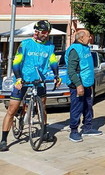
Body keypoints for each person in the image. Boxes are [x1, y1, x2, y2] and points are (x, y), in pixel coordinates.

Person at [0, 20, 60, 152]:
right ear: (36, 32)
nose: (46, 35)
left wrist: (56, 76)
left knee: (42, 108)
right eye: (44, 32)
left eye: (48, 32)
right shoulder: (25, 44)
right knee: (12, 109)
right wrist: (19, 78)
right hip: (22, 80)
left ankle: (44, 133)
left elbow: (53, 62)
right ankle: (3, 140)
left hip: (39, 80)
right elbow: (16, 62)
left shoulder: (50, 46)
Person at [66, 29, 103, 142]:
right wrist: (78, 85)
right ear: (81, 38)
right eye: (88, 36)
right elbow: (71, 70)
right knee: (77, 108)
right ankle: (74, 131)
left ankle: (87, 128)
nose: (90, 37)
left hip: (87, 83)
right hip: (78, 85)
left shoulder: (86, 48)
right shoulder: (74, 50)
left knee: (88, 107)